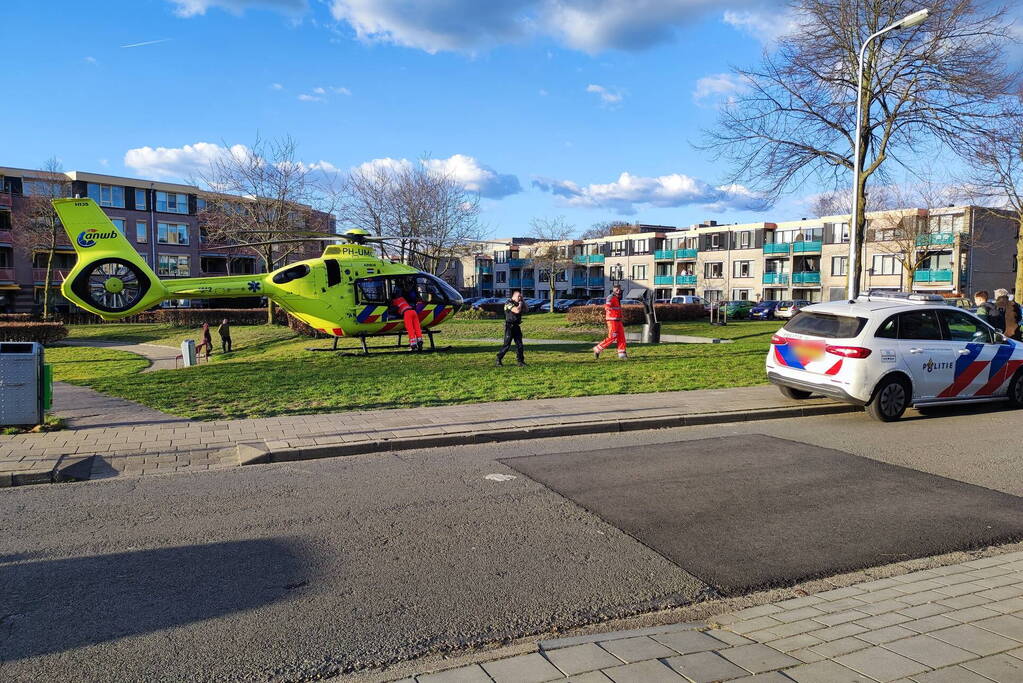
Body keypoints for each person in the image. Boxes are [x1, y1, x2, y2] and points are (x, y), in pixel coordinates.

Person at [593, 284, 627, 360]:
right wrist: (608, 308)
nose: (619, 291)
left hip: (618, 320)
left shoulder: (617, 298)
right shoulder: (611, 297)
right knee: (612, 336)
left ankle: (622, 353)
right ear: (613, 290)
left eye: (619, 290)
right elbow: (607, 305)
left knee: (621, 337)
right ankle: (597, 348)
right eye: (617, 290)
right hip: (612, 320)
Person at [496, 290, 526, 366]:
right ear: (514, 296)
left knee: (519, 344)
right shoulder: (508, 303)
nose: (520, 298)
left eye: (521, 296)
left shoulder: (518, 303)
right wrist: (520, 304)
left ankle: (520, 361)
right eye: (519, 296)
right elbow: (516, 310)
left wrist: (523, 302)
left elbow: (527, 309)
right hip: (509, 326)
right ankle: (498, 359)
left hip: (516, 326)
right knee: (507, 345)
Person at [391, 286, 424, 352]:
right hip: (413, 312)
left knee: (410, 329)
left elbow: (393, 309)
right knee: (417, 327)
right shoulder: (402, 298)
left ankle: (413, 345)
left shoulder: (394, 301)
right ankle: (420, 342)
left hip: (407, 313)